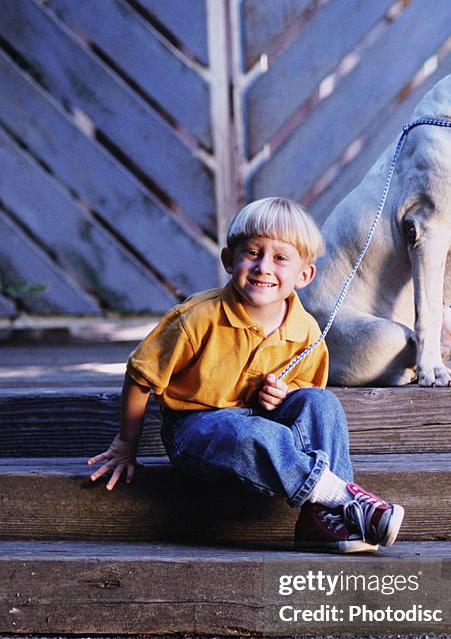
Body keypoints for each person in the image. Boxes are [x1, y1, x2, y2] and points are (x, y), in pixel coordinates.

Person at [88, 197, 404, 553]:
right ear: (229, 260)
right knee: (246, 430)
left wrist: (282, 395)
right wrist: (126, 444)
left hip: (262, 424)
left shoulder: (305, 331)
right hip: (196, 429)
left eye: (281, 258)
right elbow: (141, 375)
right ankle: (341, 496)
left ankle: (321, 519)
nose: (263, 267)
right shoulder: (196, 318)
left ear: (305, 275)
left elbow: (305, 397)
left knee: (322, 401)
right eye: (252, 253)